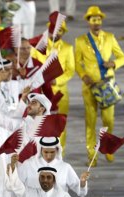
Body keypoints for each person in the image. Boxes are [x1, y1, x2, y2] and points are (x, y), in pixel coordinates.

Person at [74, 6, 124, 166]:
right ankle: (92, 154)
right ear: (88, 21)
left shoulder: (110, 38)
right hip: (90, 87)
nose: (96, 22)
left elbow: (122, 57)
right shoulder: (81, 41)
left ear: (101, 21)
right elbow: (77, 62)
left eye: (98, 19)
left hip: (106, 87)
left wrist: (113, 63)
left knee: (108, 120)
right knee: (90, 121)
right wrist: (83, 76)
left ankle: (108, 148)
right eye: (93, 19)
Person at [34, 12, 75, 151]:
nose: (56, 33)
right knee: (40, 122)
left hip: (59, 92)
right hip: (41, 93)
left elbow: (71, 70)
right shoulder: (41, 46)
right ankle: (42, 151)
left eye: (60, 30)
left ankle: (60, 152)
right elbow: (33, 65)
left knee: (60, 123)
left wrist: (57, 81)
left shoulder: (68, 48)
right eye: (54, 30)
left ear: (63, 32)